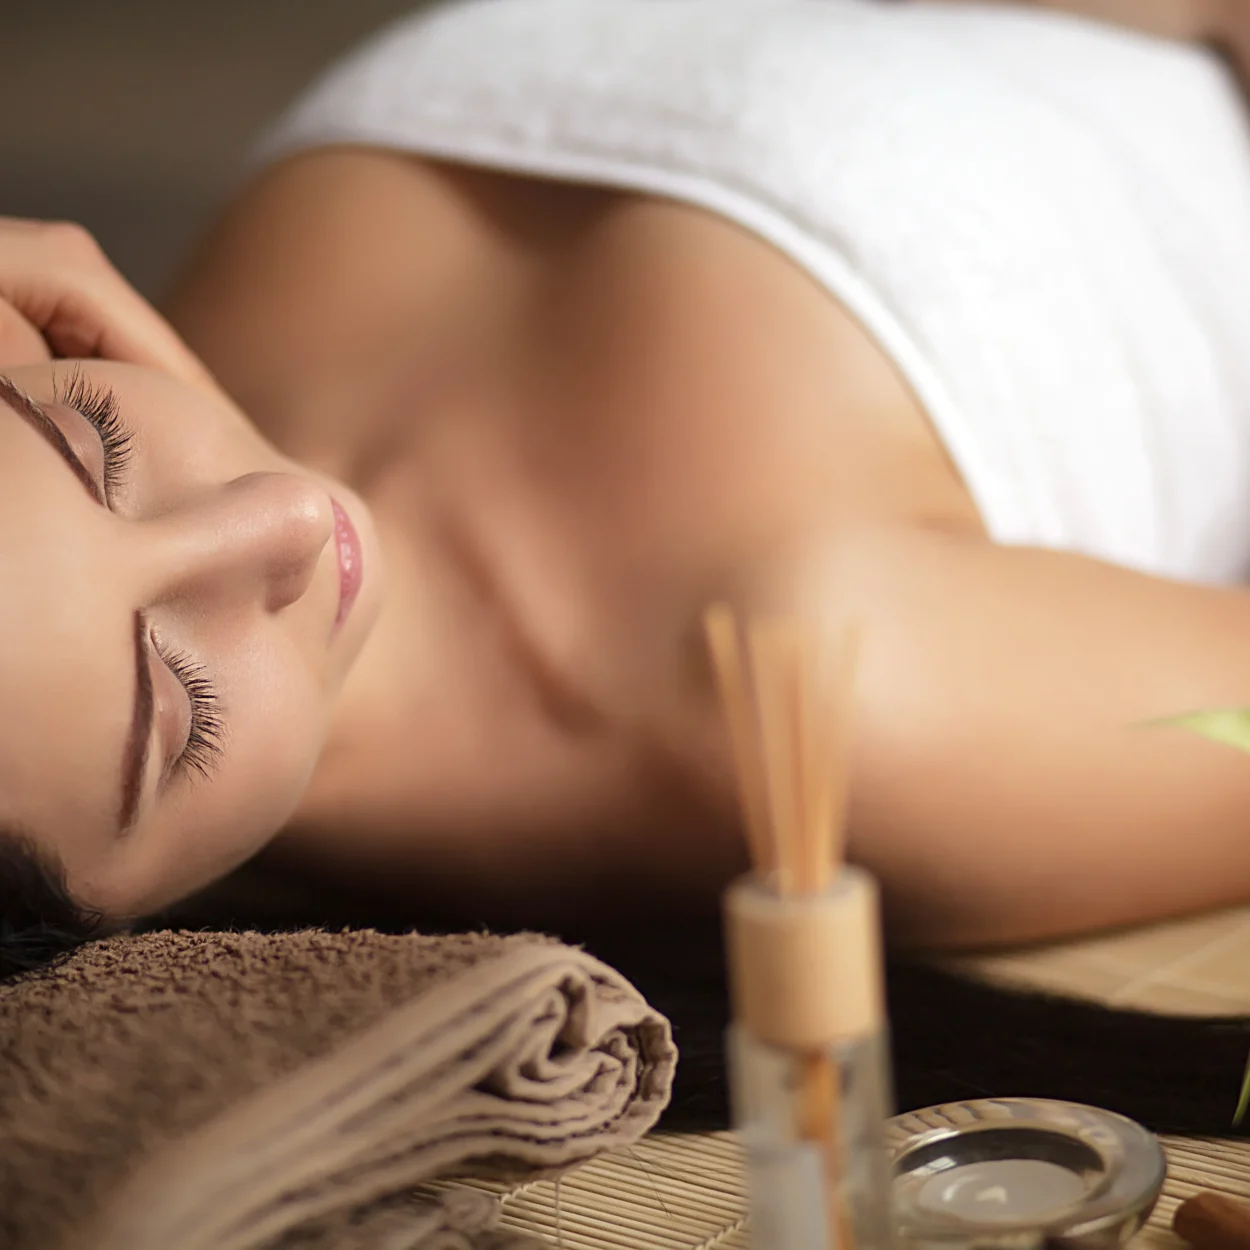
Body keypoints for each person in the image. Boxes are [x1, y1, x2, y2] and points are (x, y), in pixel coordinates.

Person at [7, 0, 1250, 974]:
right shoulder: (802, 701)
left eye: (91, 450)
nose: (278, 518)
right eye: (181, 708)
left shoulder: (245, 271)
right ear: (102, 926)